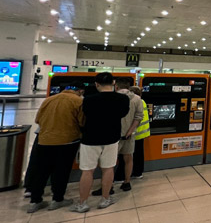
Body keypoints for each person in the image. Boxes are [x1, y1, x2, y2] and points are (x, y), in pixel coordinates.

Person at [71, 72, 130, 213]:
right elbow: (123, 114)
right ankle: (105, 199)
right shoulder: (123, 99)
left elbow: (84, 115)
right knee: (108, 168)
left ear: (97, 84)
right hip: (112, 138)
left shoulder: (88, 100)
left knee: (87, 171)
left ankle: (83, 203)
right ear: (113, 83)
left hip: (90, 139)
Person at [26, 82, 85, 213]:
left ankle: (35, 201)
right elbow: (82, 121)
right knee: (61, 171)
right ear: (80, 91)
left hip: (45, 140)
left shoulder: (49, 100)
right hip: (67, 141)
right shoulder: (78, 101)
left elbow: (38, 120)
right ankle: (57, 199)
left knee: (41, 171)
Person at [95, 78, 143, 195]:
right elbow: (138, 117)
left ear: (116, 87)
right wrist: (130, 131)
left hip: (113, 135)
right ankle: (127, 182)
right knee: (128, 159)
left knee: (109, 162)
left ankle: (108, 186)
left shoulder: (112, 97)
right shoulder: (137, 99)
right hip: (129, 135)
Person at [115, 86, 150, 179]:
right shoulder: (142, 101)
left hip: (133, 133)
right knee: (138, 155)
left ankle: (122, 176)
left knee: (125, 157)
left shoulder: (134, 102)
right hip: (142, 133)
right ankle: (138, 173)